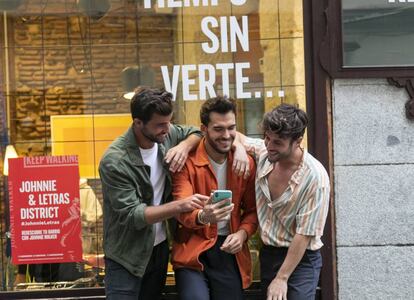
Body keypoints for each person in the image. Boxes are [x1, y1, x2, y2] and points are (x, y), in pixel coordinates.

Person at [99, 87, 209, 300]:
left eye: (169, 122)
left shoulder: (166, 136)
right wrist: (180, 205)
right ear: (137, 122)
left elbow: (197, 132)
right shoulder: (115, 161)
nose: (167, 129)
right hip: (126, 257)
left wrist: (184, 147)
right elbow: (134, 216)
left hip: (158, 251)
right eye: (160, 125)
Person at [237, 104, 330, 300]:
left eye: (277, 142)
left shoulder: (314, 178)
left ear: (298, 141)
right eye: (267, 138)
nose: (270, 145)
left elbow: (304, 234)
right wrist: (238, 149)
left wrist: (282, 278)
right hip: (269, 254)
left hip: (301, 258)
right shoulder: (265, 152)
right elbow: (236, 136)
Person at [171, 96, 258, 300]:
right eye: (218, 129)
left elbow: (253, 211)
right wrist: (202, 216)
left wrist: (242, 235)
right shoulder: (187, 163)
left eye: (231, 128)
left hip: (229, 249)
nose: (226, 135)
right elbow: (181, 208)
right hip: (193, 249)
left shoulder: (246, 163)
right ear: (204, 129)